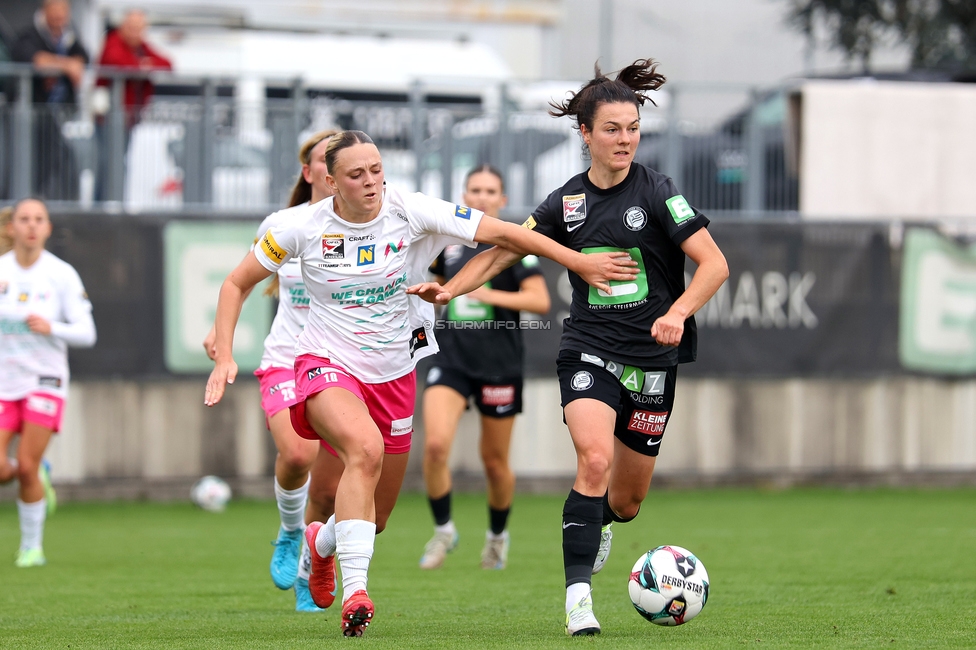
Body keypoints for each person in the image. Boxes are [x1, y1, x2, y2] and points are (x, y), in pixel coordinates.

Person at [204, 130, 636, 637]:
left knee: (376, 517)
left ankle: (320, 544)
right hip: (324, 362)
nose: (370, 181)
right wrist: (225, 355)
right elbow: (237, 283)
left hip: (394, 373)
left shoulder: (411, 210)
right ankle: (357, 592)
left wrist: (577, 260)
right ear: (330, 181)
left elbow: (509, 235)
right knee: (361, 449)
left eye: (376, 169)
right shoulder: (299, 226)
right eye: (355, 174)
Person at [407, 59, 729, 636]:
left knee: (627, 501)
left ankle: (600, 520)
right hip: (589, 349)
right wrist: (448, 289)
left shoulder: (659, 192)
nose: (624, 139)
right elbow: (504, 250)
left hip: (653, 362)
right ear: (585, 134)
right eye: (612, 129)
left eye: (632, 128)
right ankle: (579, 599)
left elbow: (715, 265)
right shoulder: (566, 203)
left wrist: (679, 312)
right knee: (594, 459)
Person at [203, 130, 337, 612]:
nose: (333, 166)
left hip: (342, 366)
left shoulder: (375, 225)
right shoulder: (282, 224)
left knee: (329, 490)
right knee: (298, 455)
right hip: (286, 358)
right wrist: (221, 339)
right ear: (310, 172)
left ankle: (309, 571)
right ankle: (287, 530)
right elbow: (240, 282)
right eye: (325, 159)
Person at [418, 165, 550, 571]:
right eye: (474, 190)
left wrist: (487, 291)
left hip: (499, 364)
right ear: (464, 195)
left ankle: (496, 538)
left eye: (490, 191)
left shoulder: (513, 245)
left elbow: (540, 302)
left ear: (503, 200)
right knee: (436, 445)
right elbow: (434, 287)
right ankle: (443, 531)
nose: (482, 197)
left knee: (494, 462)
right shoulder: (449, 244)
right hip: (451, 358)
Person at [0, 198, 96, 567]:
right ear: (11, 227)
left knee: (24, 465)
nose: (31, 226)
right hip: (5, 381)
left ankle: (31, 548)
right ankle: (40, 474)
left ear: (48, 228)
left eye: (39, 219)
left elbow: (87, 333)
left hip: (45, 380)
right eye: (24, 219)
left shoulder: (61, 274)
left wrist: (50, 326)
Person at [11, 0, 89, 200]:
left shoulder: (69, 37)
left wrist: (61, 64)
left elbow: (83, 58)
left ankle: (53, 205)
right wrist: (67, 66)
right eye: (54, 10)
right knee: (31, 164)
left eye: (63, 11)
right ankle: (26, 203)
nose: (59, 16)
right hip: (31, 116)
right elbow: (34, 59)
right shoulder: (29, 35)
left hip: (61, 114)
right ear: (44, 11)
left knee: (66, 161)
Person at [97, 10, 172, 120]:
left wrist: (145, 65)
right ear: (122, 27)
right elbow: (116, 61)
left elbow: (167, 64)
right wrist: (141, 65)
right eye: (131, 28)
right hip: (109, 114)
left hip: (132, 114)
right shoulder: (113, 41)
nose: (134, 33)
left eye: (138, 29)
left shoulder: (141, 47)